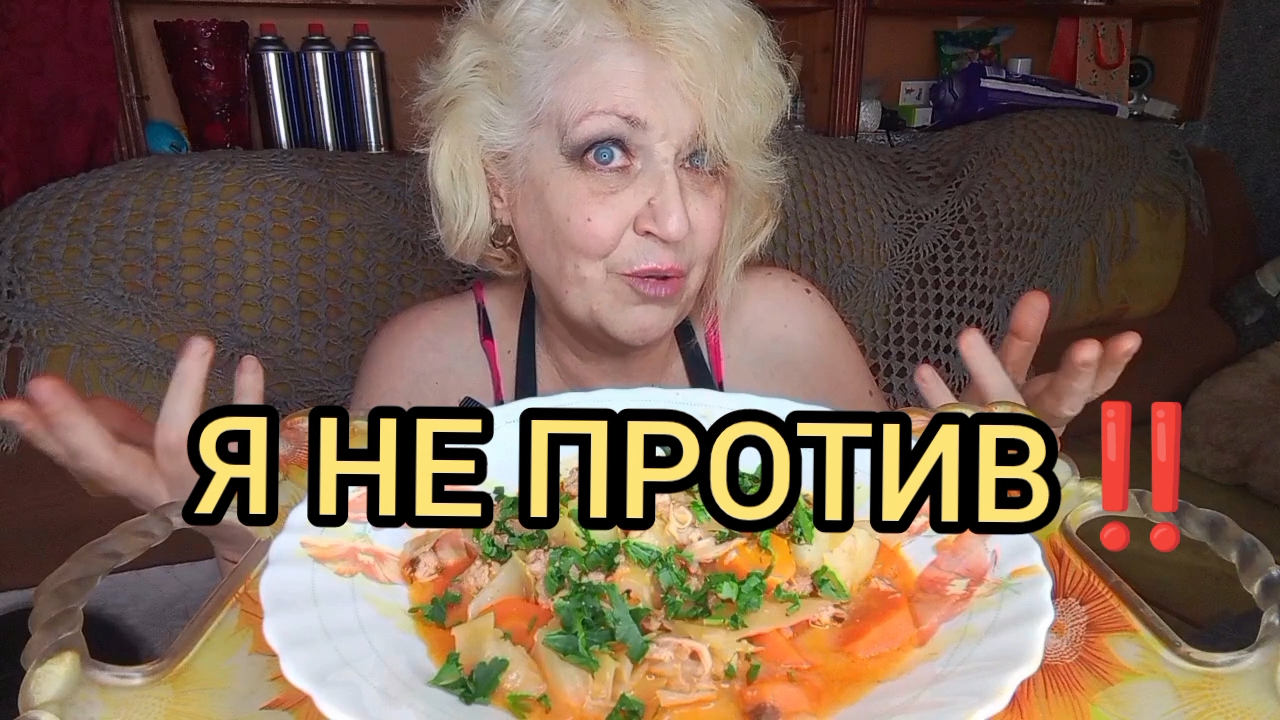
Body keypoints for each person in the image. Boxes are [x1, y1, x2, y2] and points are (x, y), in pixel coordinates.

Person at [0, 0, 1139, 574]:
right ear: (500, 183)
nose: (675, 217)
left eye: (701, 159)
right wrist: (235, 533)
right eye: (607, 152)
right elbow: (360, 613)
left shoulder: (783, 330)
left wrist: (986, 474)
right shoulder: (427, 366)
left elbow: (892, 549)